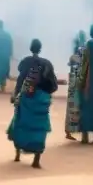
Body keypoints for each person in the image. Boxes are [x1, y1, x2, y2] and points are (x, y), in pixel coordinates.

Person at [8, 39, 59, 168]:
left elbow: (21, 80)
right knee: (40, 128)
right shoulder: (47, 64)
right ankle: (36, 160)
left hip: (27, 98)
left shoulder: (26, 62)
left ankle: (18, 154)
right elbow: (53, 85)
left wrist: (15, 94)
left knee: (20, 122)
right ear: (40, 49)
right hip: (42, 100)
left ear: (31, 48)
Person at [65, 30, 86, 140]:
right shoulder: (85, 54)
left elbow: (70, 65)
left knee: (71, 107)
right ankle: (81, 132)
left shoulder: (73, 56)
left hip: (72, 84)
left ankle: (69, 131)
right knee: (80, 107)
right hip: (81, 83)